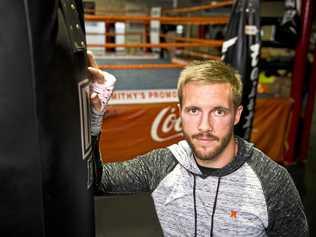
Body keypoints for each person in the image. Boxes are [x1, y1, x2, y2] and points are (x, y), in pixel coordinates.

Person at [93, 60, 308, 236]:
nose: (205, 126)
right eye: (194, 110)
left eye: (219, 112)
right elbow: (94, 181)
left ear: (237, 115)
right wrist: (93, 118)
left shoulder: (271, 181)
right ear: (180, 113)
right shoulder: (164, 165)